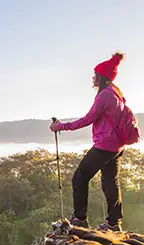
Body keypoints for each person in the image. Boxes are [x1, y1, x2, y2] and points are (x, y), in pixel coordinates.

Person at [50, 52, 127, 231]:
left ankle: (80, 219)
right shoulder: (117, 94)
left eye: (95, 74)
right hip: (117, 145)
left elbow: (88, 119)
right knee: (110, 181)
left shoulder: (105, 96)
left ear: (102, 77)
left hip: (105, 145)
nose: (93, 77)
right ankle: (114, 223)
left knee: (80, 177)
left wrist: (61, 126)